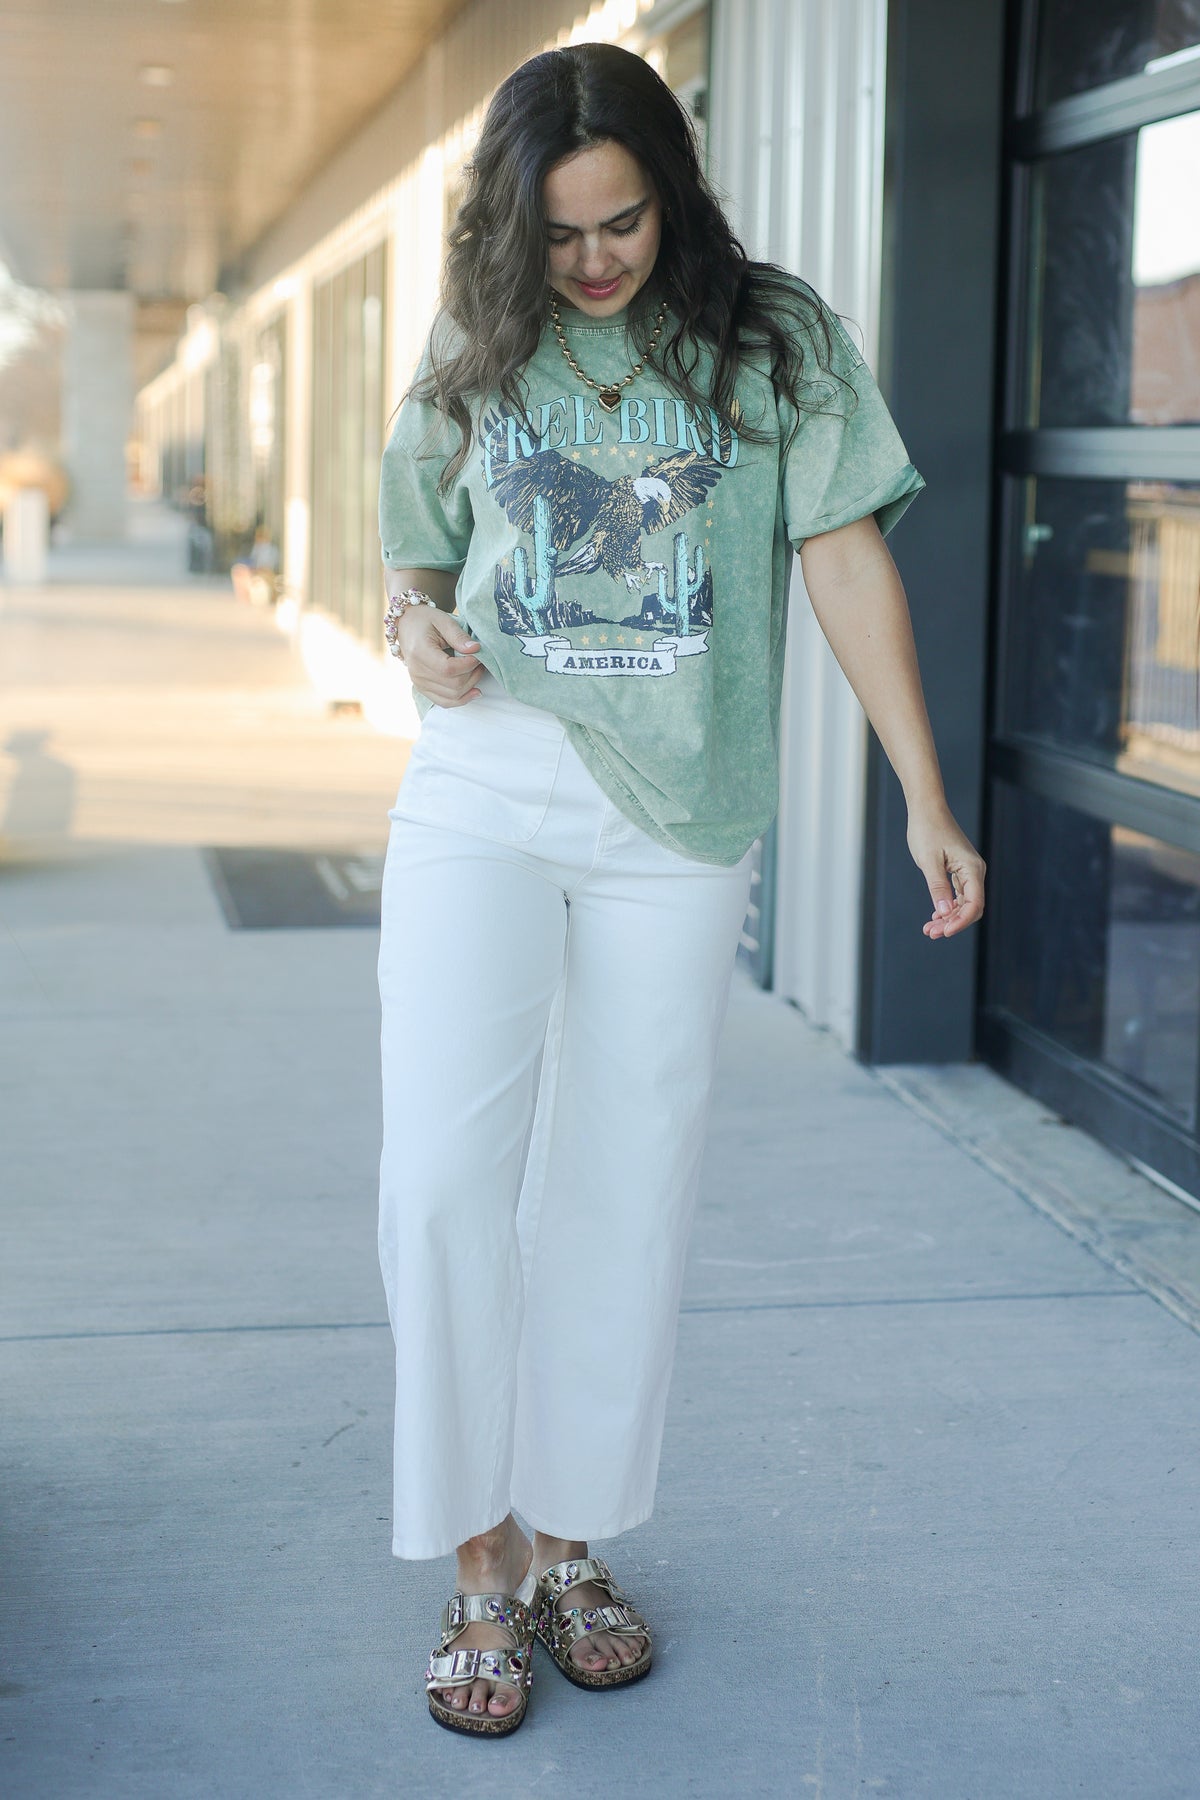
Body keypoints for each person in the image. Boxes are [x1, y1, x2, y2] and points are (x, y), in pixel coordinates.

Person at [376, 41, 985, 1740]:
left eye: (620, 222)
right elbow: (418, 548)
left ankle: (566, 1542)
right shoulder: (478, 328)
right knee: (438, 1175)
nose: (591, 263)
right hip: (486, 787)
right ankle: (475, 1562)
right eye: (559, 234)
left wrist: (924, 794)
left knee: (620, 1187)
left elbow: (845, 551)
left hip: (681, 816)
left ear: (675, 182)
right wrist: (417, 630)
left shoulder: (771, 338)